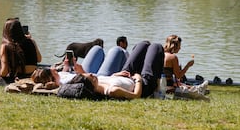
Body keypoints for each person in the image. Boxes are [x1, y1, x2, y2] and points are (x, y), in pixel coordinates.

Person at [33, 40, 164, 99]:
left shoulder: (93, 82)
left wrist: (114, 75)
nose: (90, 73)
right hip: (140, 83)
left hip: (120, 76)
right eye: (90, 76)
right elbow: (136, 96)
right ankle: (157, 85)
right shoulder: (109, 90)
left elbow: (101, 79)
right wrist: (139, 79)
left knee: (143, 45)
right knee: (156, 47)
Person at [0, 17, 42, 84]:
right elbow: (39, 59)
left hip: (17, 77)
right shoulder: (31, 41)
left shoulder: (6, 46)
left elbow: (4, 72)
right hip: (32, 76)